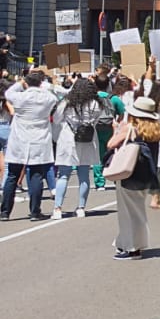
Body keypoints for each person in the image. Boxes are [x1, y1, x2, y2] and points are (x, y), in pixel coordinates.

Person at [105, 96, 160, 259]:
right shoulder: (156, 130)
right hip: (146, 173)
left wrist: (117, 129)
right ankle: (130, 243)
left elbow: (111, 144)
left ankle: (132, 248)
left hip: (129, 172)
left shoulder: (131, 128)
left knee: (127, 212)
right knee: (137, 211)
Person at [3, 70, 63, 220]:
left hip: (19, 138)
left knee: (12, 175)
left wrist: (20, 83)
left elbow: (9, 92)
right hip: (39, 138)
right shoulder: (48, 98)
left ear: (26, 83)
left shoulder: (19, 97)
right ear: (41, 83)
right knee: (36, 175)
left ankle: (4, 211)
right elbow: (58, 94)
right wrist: (46, 85)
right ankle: (35, 211)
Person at [52, 76, 103, 219]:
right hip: (88, 139)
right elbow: (96, 120)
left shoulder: (67, 102)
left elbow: (56, 119)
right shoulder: (96, 104)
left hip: (68, 137)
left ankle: (57, 208)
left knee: (63, 174)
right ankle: (81, 207)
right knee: (84, 174)